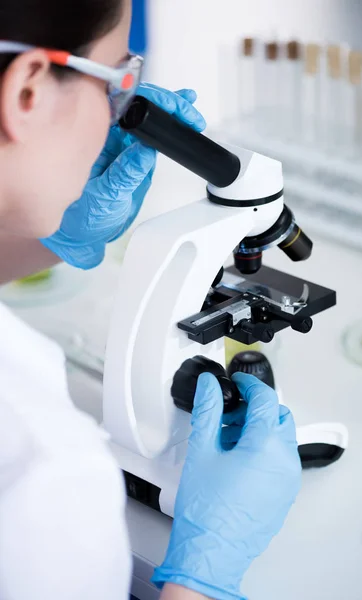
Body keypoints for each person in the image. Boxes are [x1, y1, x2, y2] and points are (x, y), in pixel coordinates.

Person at [0, 0, 302, 599]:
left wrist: (59, 235)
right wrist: (204, 573)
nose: (118, 114)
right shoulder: (40, 466)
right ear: (29, 90)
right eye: (116, 83)